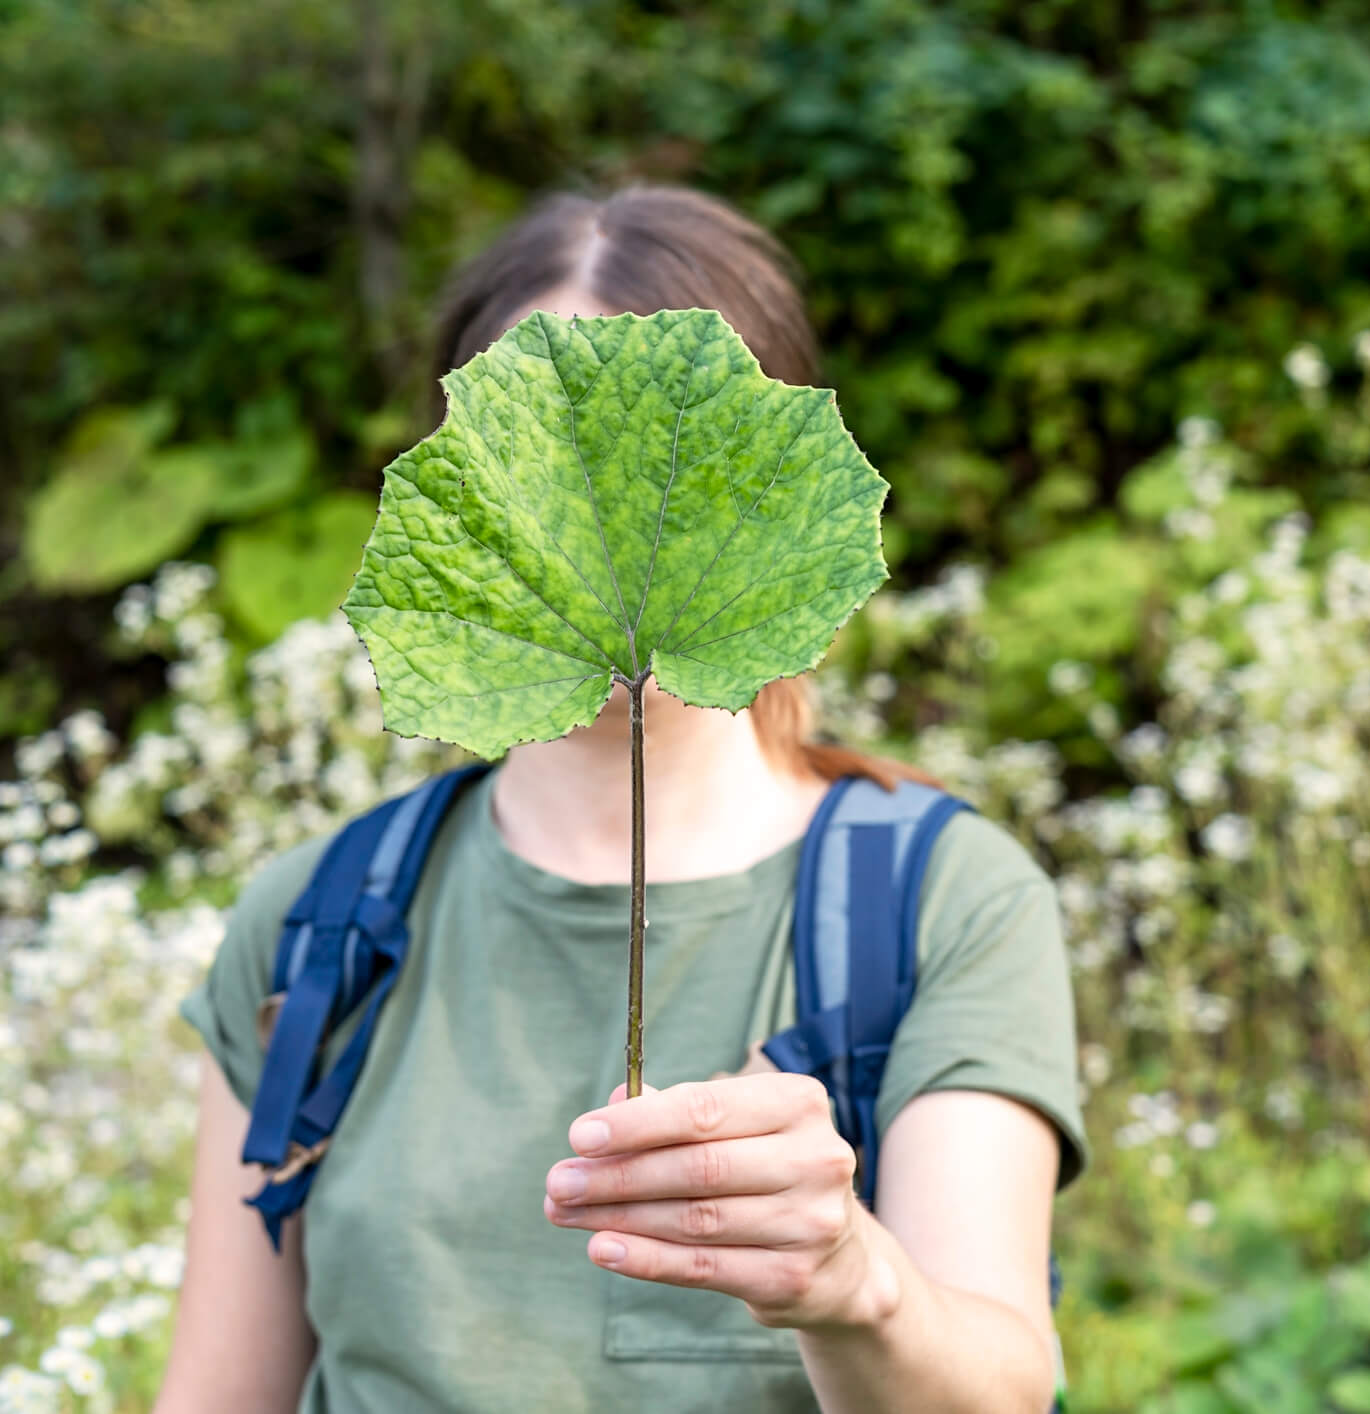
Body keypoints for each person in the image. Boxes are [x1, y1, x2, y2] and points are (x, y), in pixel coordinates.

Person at [153, 183, 1089, 1414]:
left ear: (774, 493)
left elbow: (1001, 1387)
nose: (595, 533)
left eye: (665, 471)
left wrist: (854, 1278)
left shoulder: (931, 902)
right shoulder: (315, 925)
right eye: (544, 465)